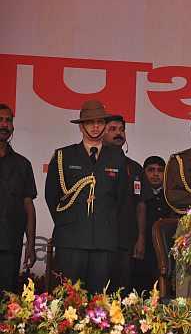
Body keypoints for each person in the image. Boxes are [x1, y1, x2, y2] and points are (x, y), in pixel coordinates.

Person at [45, 100, 127, 293]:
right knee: (67, 300)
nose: (96, 126)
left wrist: (106, 225)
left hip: (104, 241)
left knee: (99, 303)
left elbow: (122, 200)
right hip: (71, 240)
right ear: (81, 126)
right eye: (90, 122)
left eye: (100, 122)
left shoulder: (117, 157)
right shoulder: (63, 156)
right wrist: (70, 222)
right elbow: (52, 197)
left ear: (105, 125)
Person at [103, 114, 147, 292]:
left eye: (121, 129)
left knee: (123, 290)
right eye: (112, 129)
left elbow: (141, 205)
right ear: (102, 133)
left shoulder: (134, 167)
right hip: (99, 240)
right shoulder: (94, 164)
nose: (118, 133)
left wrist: (141, 238)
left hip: (126, 240)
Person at [0, 104, 37, 293]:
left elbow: (28, 206)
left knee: (7, 305)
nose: (4, 124)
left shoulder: (22, 164)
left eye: (8, 120)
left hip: (9, 245)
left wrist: (30, 245)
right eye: (1, 120)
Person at [133, 156, 179, 292]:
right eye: (151, 170)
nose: (155, 174)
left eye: (160, 170)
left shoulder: (171, 197)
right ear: (143, 173)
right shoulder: (136, 196)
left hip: (166, 251)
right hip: (142, 250)